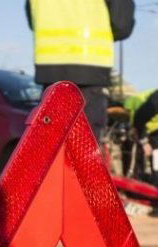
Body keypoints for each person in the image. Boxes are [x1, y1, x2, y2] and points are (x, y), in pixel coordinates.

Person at [25, 0, 135, 141]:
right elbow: (121, 25)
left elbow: (32, 19)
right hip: (90, 68)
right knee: (84, 146)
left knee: (51, 143)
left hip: (50, 69)